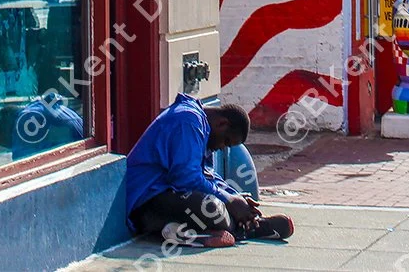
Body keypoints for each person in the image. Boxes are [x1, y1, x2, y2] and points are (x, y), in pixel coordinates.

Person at [125, 95, 293, 248]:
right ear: (222, 123)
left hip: (170, 194)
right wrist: (229, 200)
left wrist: (235, 196)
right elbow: (186, 179)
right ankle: (249, 229)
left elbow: (208, 177)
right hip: (147, 203)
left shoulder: (202, 126)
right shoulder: (188, 122)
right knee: (211, 206)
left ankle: (243, 226)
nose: (221, 148)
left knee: (218, 204)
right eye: (226, 142)